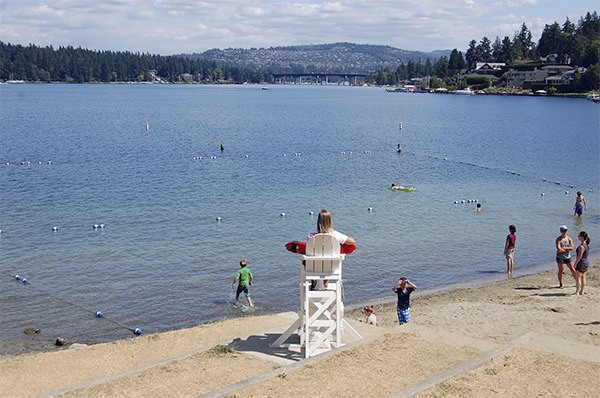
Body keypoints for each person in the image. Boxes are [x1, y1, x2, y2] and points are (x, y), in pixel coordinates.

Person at [308, 209, 355, 289]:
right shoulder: (334, 234)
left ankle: (314, 281)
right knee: (331, 257)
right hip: (330, 266)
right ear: (330, 221)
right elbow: (352, 242)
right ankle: (326, 282)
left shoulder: (311, 233)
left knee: (315, 257)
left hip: (313, 266)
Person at [573, 231, 590, 296]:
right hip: (586, 262)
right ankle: (582, 291)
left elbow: (579, 256)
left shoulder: (581, 247)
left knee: (578, 278)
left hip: (581, 262)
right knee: (583, 277)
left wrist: (575, 263)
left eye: (579, 236)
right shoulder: (586, 245)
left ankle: (577, 292)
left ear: (582, 237)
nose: (578, 236)